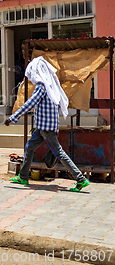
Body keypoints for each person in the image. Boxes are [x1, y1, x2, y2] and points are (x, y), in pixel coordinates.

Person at [5, 56, 89, 192]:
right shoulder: (51, 85)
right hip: (44, 126)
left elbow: (30, 103)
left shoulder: (42, 86)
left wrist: (13, 117)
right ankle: (23, 176)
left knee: (59, 153)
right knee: (29, 147)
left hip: (45, 128)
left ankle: (80, 179)